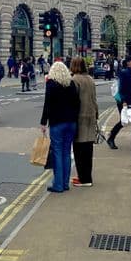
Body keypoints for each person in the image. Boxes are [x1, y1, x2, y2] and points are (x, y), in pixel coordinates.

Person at [40, 61, 80, 193]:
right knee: (67, 152)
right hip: (71, 123)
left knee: (57, 152)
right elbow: (77, 103)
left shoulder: (51, 84)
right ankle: (65, 183)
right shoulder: (71, 84)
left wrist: (43, 122)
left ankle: (58, 185)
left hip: (57, 123)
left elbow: (47, 104)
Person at [70, 57, 98, 187]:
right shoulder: (90, 79)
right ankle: (88, 177)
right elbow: (94, 99)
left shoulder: (75, 80)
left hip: (80, 117)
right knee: (88, 149)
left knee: (79, 149)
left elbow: (73, 101)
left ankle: (83, 178)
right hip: (91, 116)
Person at [107, 55, 131, 149]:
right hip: (124, 101)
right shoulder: (124, 73)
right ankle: (111, 138)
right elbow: (121, 89)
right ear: (128, 62)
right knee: (123, 121)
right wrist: (124, 101)